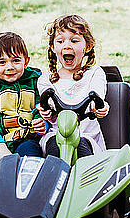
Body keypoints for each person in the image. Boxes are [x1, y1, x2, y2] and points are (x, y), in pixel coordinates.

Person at [37, 14, 109, 158]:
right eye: (60, 41)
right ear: (53, 46)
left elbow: (97, 95)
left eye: (74, 41)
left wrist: (100, 107)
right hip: (56, 136)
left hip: (86, 136)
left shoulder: (94, 73)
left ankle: (86, 179)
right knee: (55, 145)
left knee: (81, 147)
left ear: (87, 46)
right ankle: (56, 178)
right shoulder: (45, 80)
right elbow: (48, 104)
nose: (67, 45)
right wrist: (46, 111)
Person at [0, 32, 48, 162]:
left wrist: (42, 124)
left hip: (28, 139)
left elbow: (42, 107)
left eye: (16, 60)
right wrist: (0, 146)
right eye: (2, 62)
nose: (9, 67)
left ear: (26, 61)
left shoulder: (35, 80)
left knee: (30, 158)